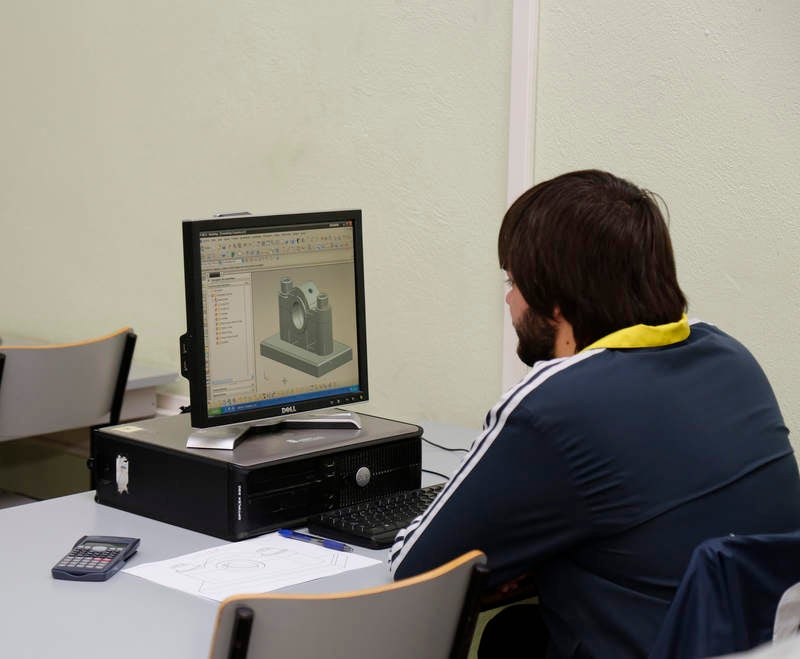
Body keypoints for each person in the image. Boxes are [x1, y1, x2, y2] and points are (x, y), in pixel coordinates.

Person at [388, 170, 800, 658]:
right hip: (754, 645)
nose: (509, 299)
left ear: (556, 302)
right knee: (516, 633)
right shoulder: (730, 358)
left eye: (514, 281)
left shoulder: (554, 406)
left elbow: (413, 573)